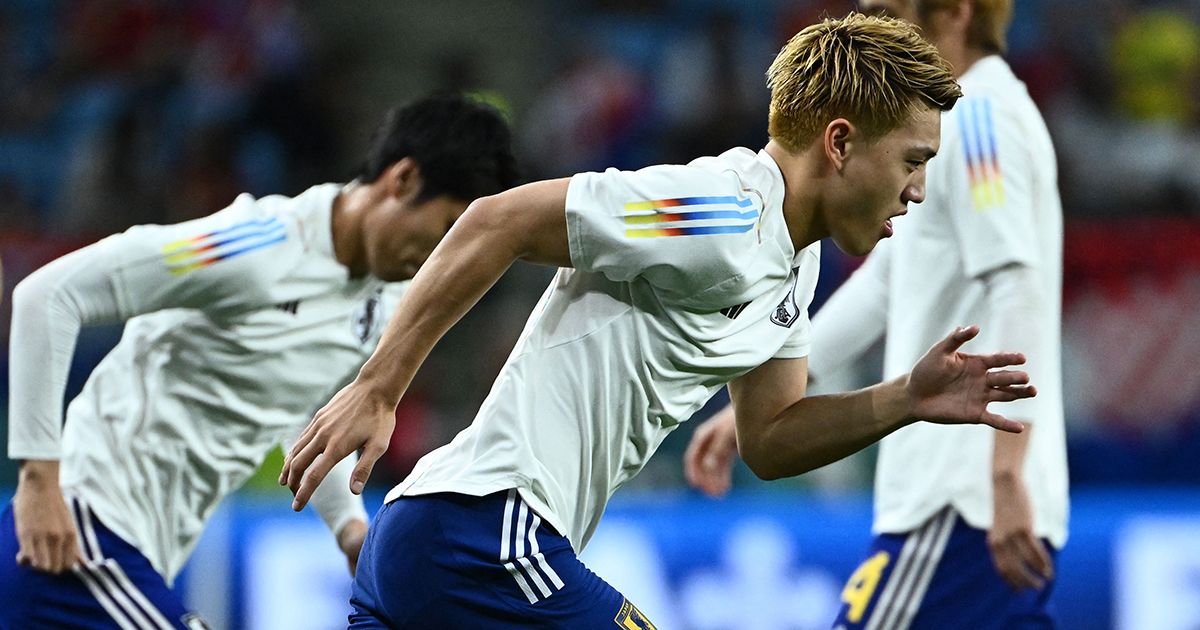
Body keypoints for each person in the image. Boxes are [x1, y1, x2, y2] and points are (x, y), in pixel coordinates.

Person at [282, 14, 1037, 629]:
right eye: (912, 159)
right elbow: (496, 221)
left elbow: (772, 439)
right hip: (482, 532)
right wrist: (379, 387)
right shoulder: (720, 209)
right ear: (839, 143)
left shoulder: (793, 260)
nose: (919, 190)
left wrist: (904, 399)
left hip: (443, 544)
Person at [2, 94, 518, 629]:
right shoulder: (252, 246)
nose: (441, 258)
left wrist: (349, 528)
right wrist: (39, 478)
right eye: (446, 227)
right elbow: (49, 295)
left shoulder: (385, 300)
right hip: (73, 532)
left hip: (140, 554)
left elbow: (306, 405)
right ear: (403, 179)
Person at [684, 2, 1067, 628]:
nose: (875, 26)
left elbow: (1017, 284)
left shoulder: (980, 115)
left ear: (954, 12)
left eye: (890, 11)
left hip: (960, 495)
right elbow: (889, 285)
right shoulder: (947, 121)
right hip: (958, 496)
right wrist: (766, 405)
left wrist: (1003, 476)